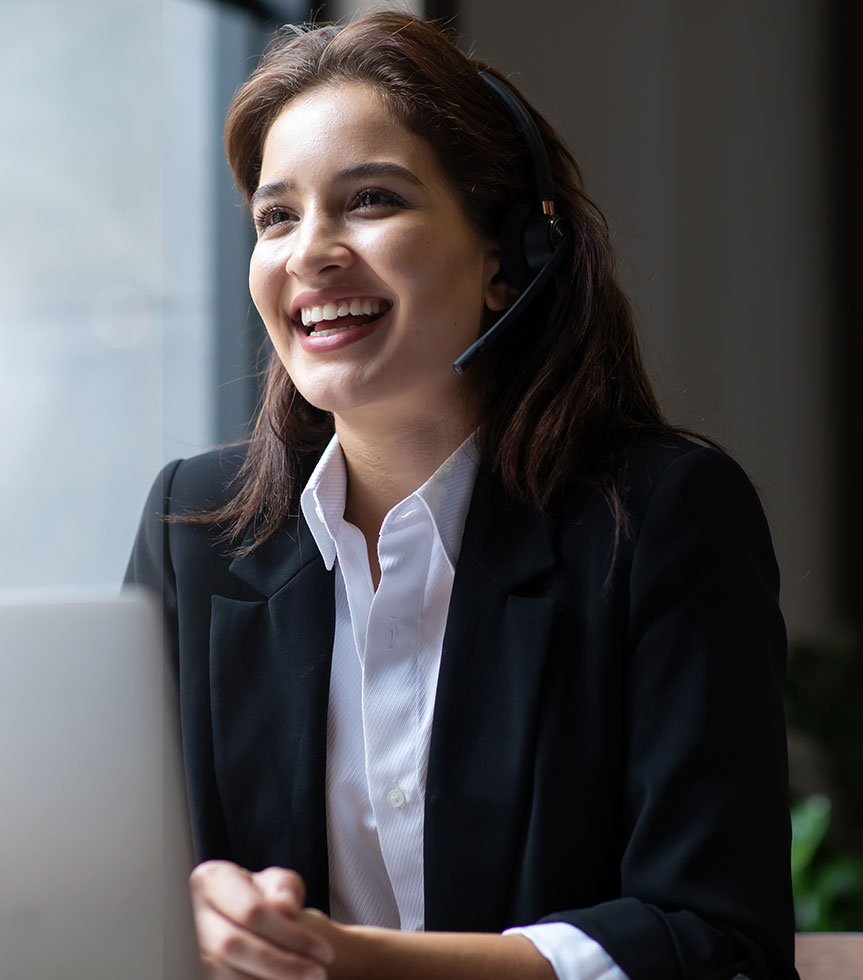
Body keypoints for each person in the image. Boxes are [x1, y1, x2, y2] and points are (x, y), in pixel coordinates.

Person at [124, 12, 795, 980]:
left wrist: (353, 960)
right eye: (276, 216)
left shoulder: (659, 521)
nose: (307, 251)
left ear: (502, 259)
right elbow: (106, 875)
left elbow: (714, 940)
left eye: (368, 200)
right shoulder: (192, 528)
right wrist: (174, 911)